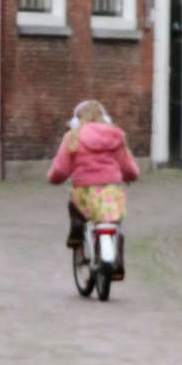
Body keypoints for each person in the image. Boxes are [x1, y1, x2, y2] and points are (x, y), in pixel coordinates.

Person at [48, 99, 139, 270]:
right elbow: (127, 165)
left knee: (73, 202)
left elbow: (61, 169)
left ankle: (77, 230)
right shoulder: (115, 135)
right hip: (112, 192)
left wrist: (53, 178)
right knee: (116, 222)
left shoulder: (72, 136)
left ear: (77, 119)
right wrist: (131, 175)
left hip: (85, 192)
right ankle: (117, 258)